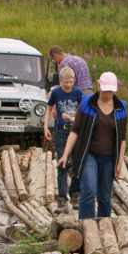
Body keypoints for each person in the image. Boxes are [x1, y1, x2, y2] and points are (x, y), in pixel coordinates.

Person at [58, 71, 128, 220]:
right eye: (105, 89)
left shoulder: (121, 107)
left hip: (109, 157)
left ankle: (103, 228)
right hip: (89, 154)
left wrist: (119, 163)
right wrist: (65, 154)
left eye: (111, 90)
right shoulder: (87, 103)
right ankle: (87, 226)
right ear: (98, 85)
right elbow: (75, 130)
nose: (107, 94)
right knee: (89, 189)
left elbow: (122, 138)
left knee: (104, 195)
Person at [44, 66, 81, 210]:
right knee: (62, 162)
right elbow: (49, 109)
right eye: (66, 82)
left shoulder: (78, 93)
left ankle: (75, 193)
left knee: (76, 162)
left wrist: (72, 118)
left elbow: (81, 112)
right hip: (61, 130)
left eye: (71, 82)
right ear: (60, 81)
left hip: (75, 129)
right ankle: (62, 197)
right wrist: (46, 126)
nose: (69, 85)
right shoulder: (56, 93)